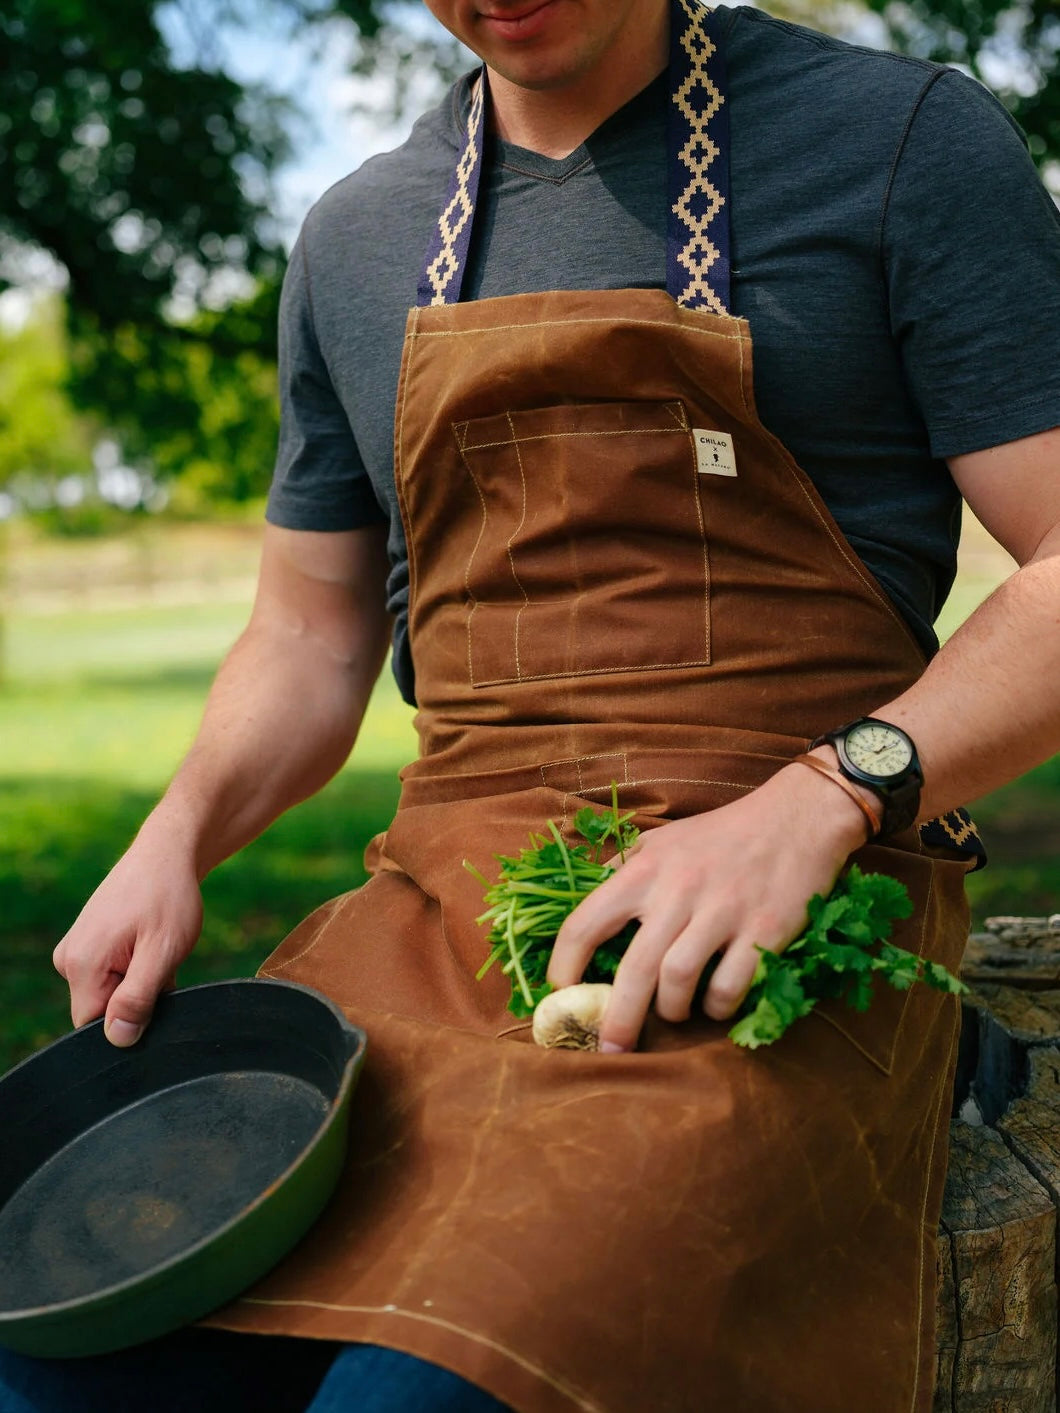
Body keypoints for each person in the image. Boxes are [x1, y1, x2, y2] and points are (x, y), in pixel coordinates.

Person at [6, 0, 1060, 1408]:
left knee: (423, 1390)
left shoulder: (901, 143)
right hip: (439, 923)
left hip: (791, 902)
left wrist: (828, 795)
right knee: (62, 1349)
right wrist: (177, 830)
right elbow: (311, 636)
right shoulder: (356, 237)